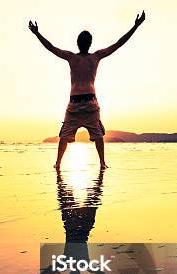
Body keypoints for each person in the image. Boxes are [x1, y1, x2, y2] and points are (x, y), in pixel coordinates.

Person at [28, 11, 146, 169]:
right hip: (87, 104)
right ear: (89, 43)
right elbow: (118, 44)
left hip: (78, 104)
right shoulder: (93, 57)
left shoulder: (75, 57)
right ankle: (99, 163)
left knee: (70, 135)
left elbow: (51, 48)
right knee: (90, 135)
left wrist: (37, 33)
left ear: (79, 43)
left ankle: (63, 163)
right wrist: (136, 26)